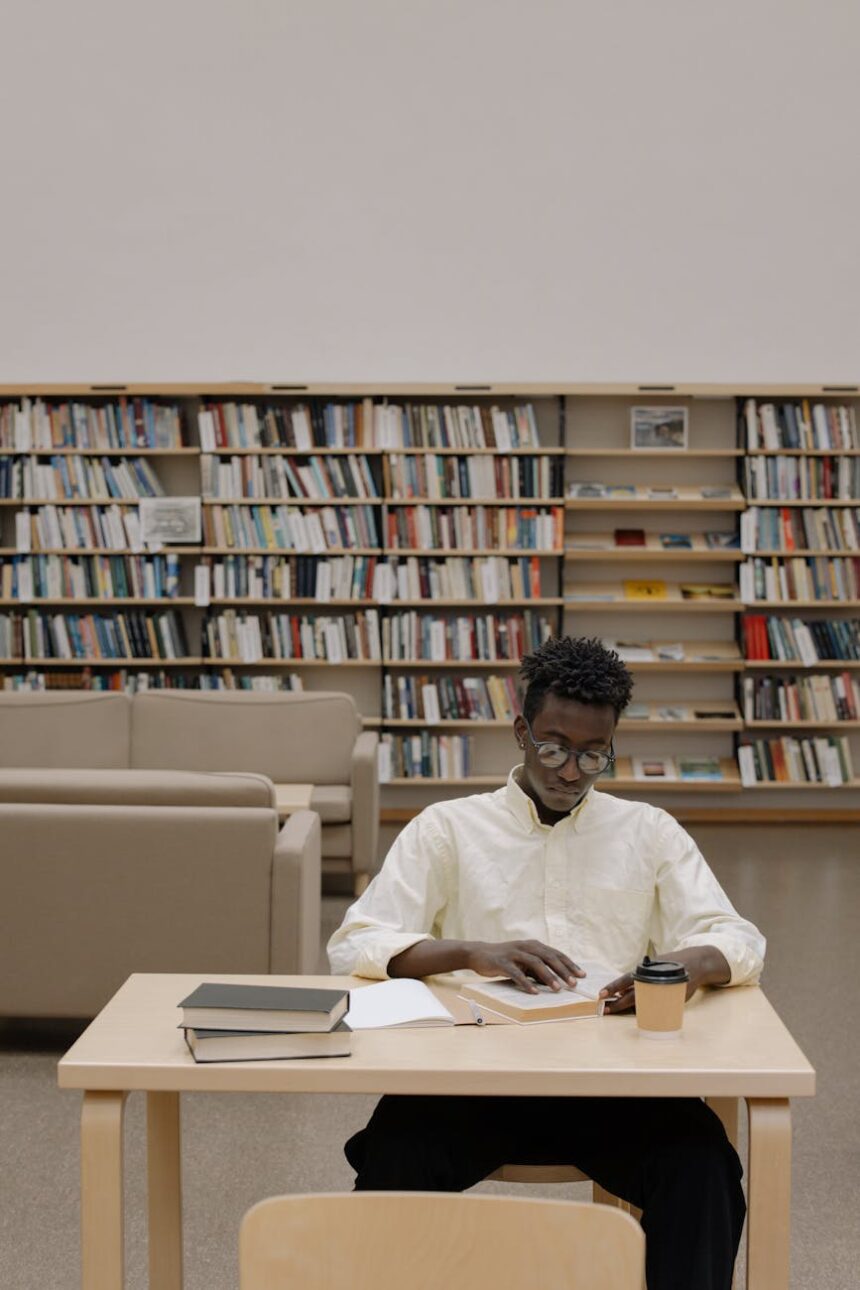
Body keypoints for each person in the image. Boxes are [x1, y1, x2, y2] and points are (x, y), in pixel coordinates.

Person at [328, 635, 765, 1290]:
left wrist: (679, 966)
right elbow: (355, 941)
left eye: (594, 754)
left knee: (703, 1168)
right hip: (469, 1086)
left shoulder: (647, 830)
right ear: (521, 732)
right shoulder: (446, 828)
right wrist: (472, 952)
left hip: (613, 1088)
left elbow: (734, 936)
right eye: (555, 747)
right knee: (394, 1160)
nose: (570, 771)